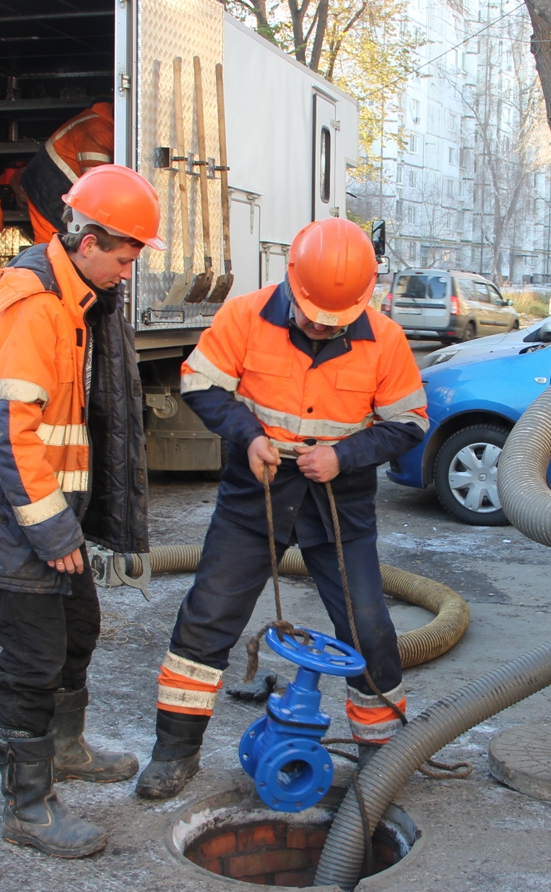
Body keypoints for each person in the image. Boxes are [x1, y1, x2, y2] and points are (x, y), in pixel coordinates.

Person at [0, 164, 164, 857]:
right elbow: (7, 431)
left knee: (79, 625)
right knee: (33, 657)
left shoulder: (75, 298)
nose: (127, 270)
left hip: (35, 507)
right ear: (86, 240)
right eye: (122, 256)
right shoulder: (32, 307)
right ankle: (26, 806)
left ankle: (65, 746)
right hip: (2, 512)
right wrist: (53, 529)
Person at [135, 218, 430, 799]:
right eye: (312, 313)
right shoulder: (245, 316)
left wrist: (344, 457)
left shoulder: (386, 340)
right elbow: (201, 384)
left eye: (333, 321)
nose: (320, 326)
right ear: (291, 282)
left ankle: (380, 762)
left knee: (369, 630)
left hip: (337, 505)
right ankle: (175, 753)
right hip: (257, 496)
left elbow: (410, 424)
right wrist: (247, 436)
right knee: (206, 618)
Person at [21, 102, 114, 245]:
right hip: (51, 190)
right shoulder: (97, 130)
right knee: (53, 248)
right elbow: (98, 190)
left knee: (49, 247)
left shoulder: (94, 122)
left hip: (45, 187)